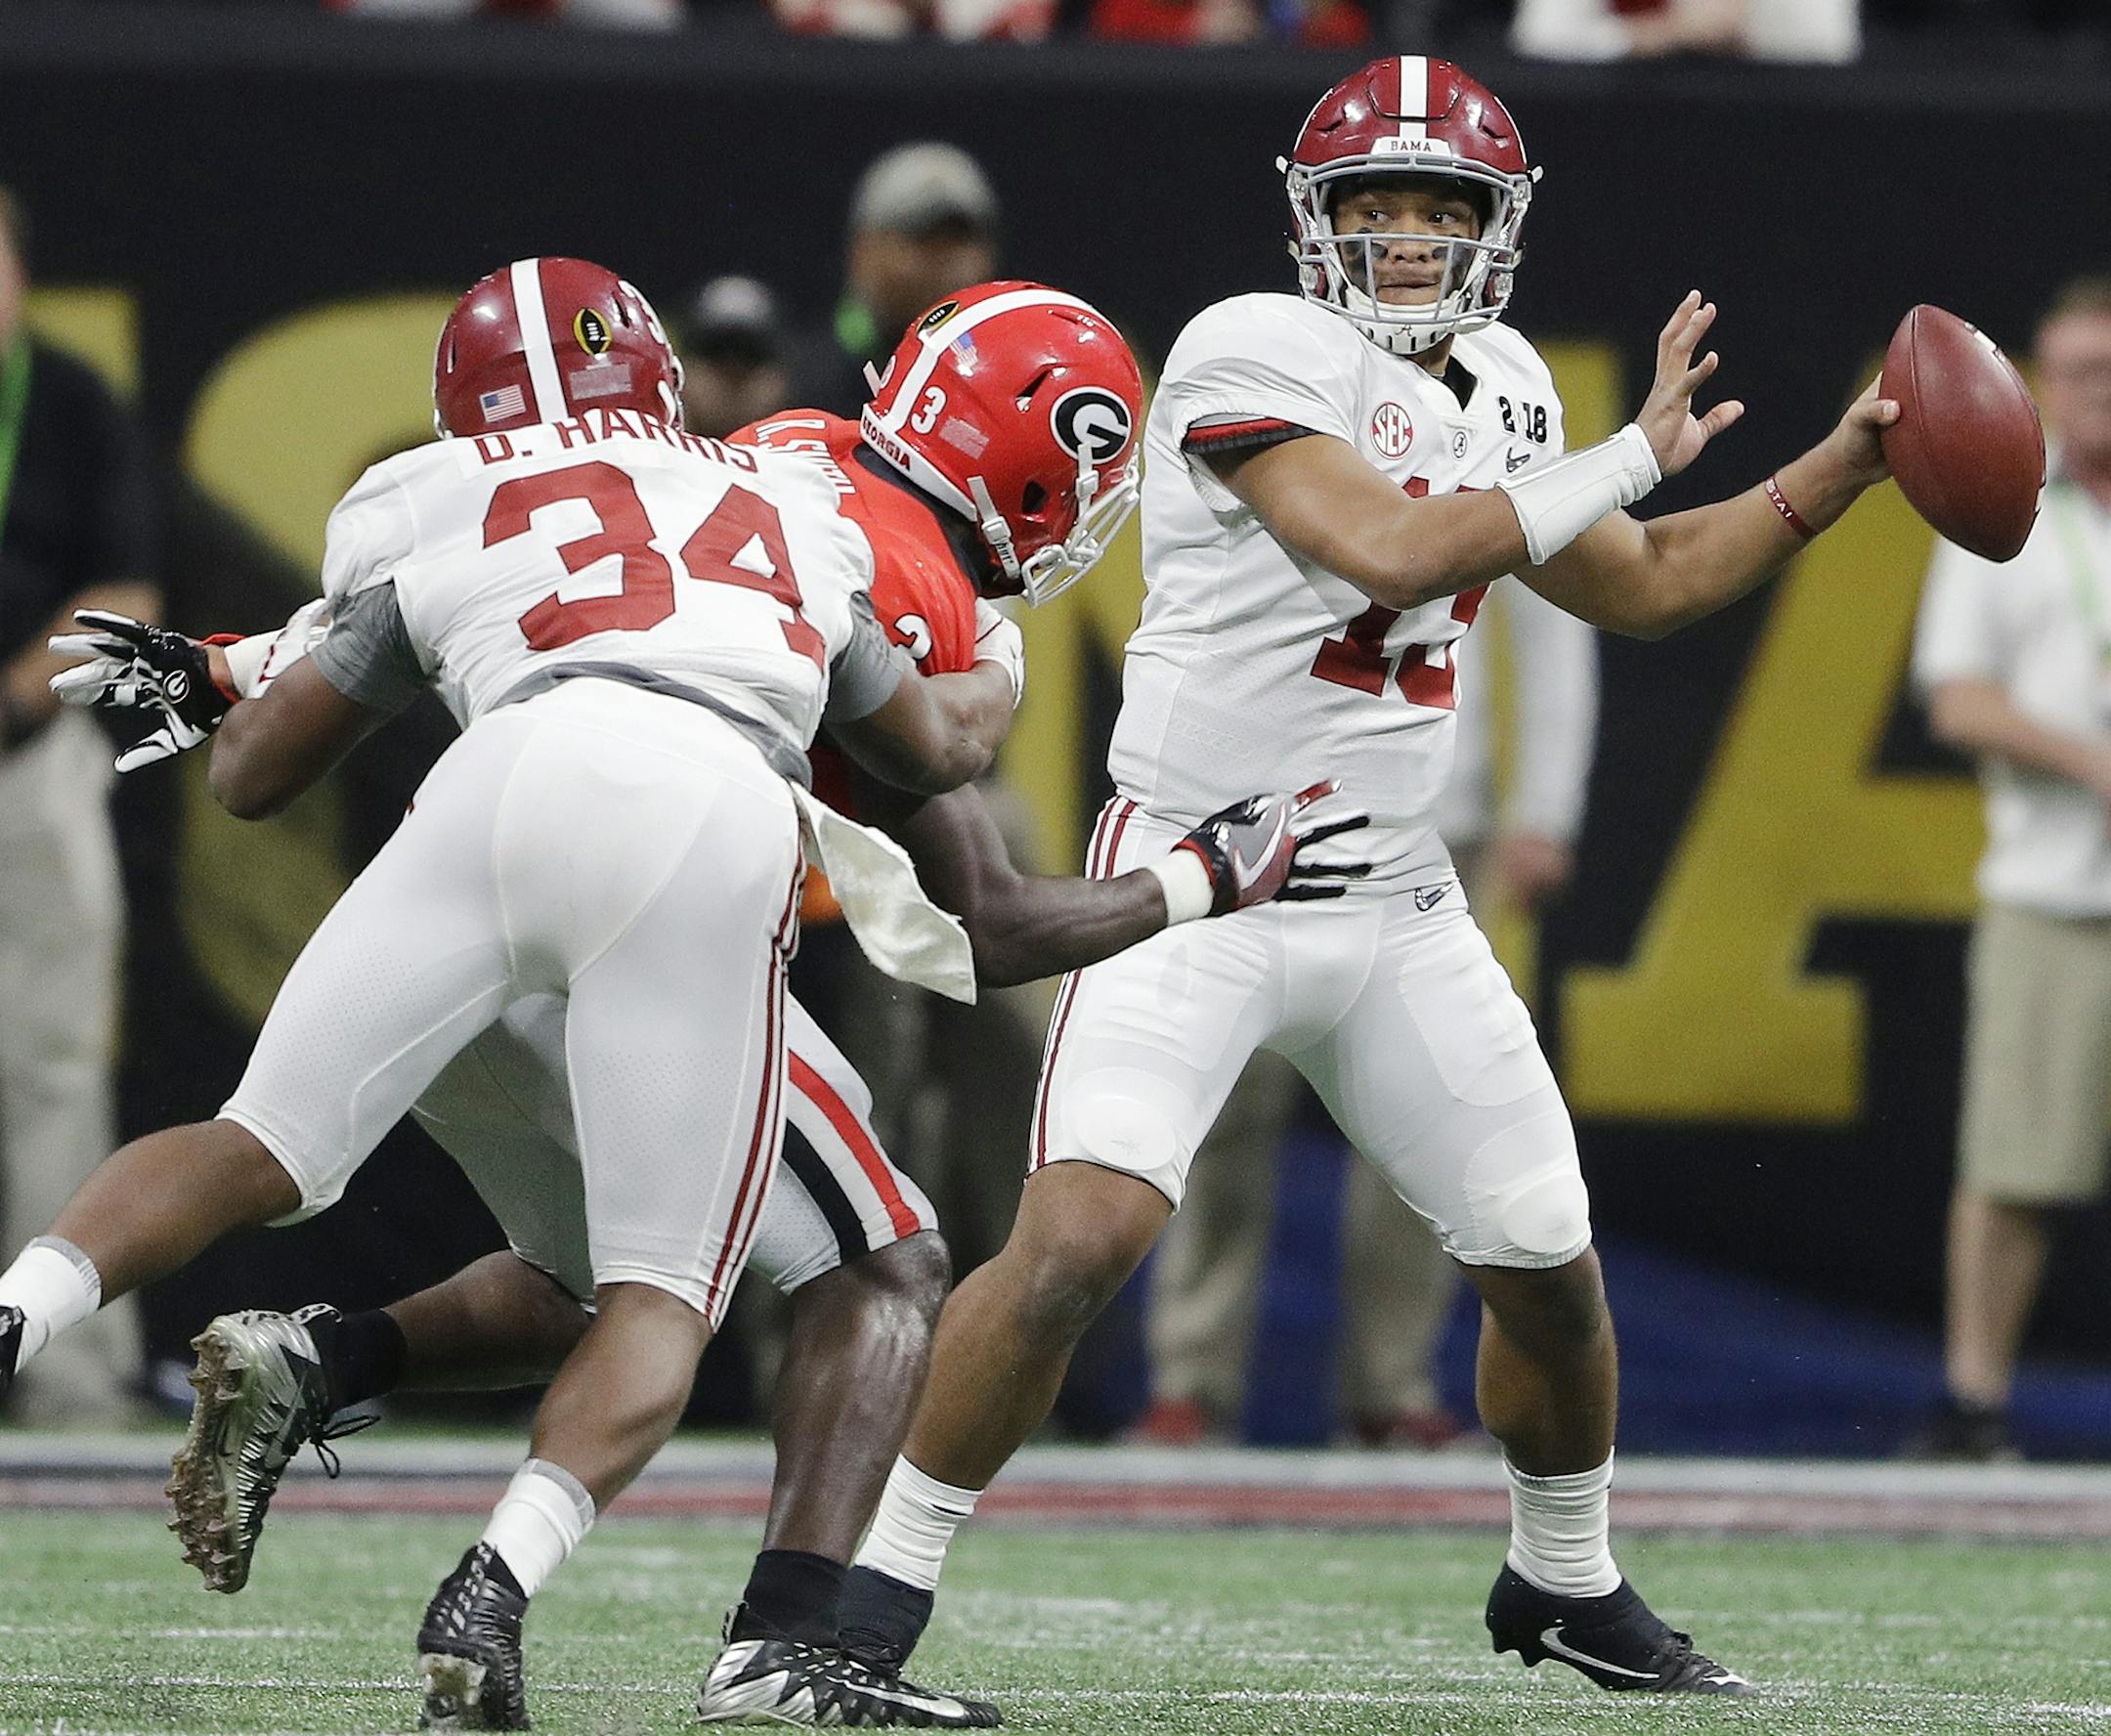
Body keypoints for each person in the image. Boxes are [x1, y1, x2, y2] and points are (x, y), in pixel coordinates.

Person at [48, 279, 1361, 1729]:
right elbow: (981, 897)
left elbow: (444, 599)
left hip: (478, 831)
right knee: (860, 1264)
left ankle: (293, 1351)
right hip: (679, 877)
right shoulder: (873, 569)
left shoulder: (770, 454)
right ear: (1038, 465)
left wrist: (243, 664)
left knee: (329, 1169)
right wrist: (1201, 877)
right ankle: (765, 1640)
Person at [831, 55, 1902, 1707]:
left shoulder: (1515, 384)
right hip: (1200, 879)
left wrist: (1845, 464)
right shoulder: (1247, 347)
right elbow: (1385, 548)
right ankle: (865, 1608)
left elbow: (1649, 582)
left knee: (1546, 1266)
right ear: (1313, 220)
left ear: (1498, 223)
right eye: (1375, 206)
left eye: (1441, 206)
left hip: (1396, 895)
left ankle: (1567, 1576)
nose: (1408, 237)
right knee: (1071, 1244)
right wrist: (1627, 455)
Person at [1137, 582, 1597, 1450]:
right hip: (1254, 816)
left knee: (1422, 1119)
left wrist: (1544, 805)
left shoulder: (1491, 440)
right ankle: (1191, 1379)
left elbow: (1558, 601)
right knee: (1219, 1102)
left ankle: (1391, 1384)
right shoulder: (1255, 442)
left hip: (1423, 822)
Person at [1906, 276, 2111, 1462]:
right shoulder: (2002, 510)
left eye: (2109, 370)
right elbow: (1960, 695)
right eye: (2073, 370)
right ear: (2038, 381)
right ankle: (1974, 1399)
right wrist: (2089, 762)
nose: (2093, 393)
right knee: (2014, 1162)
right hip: (2055, 890)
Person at [0, 184, 160, 1426]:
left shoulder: (65, 398)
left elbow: (127, 593)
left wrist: (27, 680)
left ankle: (67, 1375)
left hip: (24, 765)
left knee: (51, 1067)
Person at [787, 145, 1000, 420]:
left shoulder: (1009, 379)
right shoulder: (796, 381)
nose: (946, 262)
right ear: (864, 251)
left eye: (960, 241)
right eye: (924, 239)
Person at [675, 276, 795, 442]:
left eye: (751, 357)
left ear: (781, 379)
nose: (733, 375)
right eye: (715, 354)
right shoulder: (647, 462)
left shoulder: (812, 465)